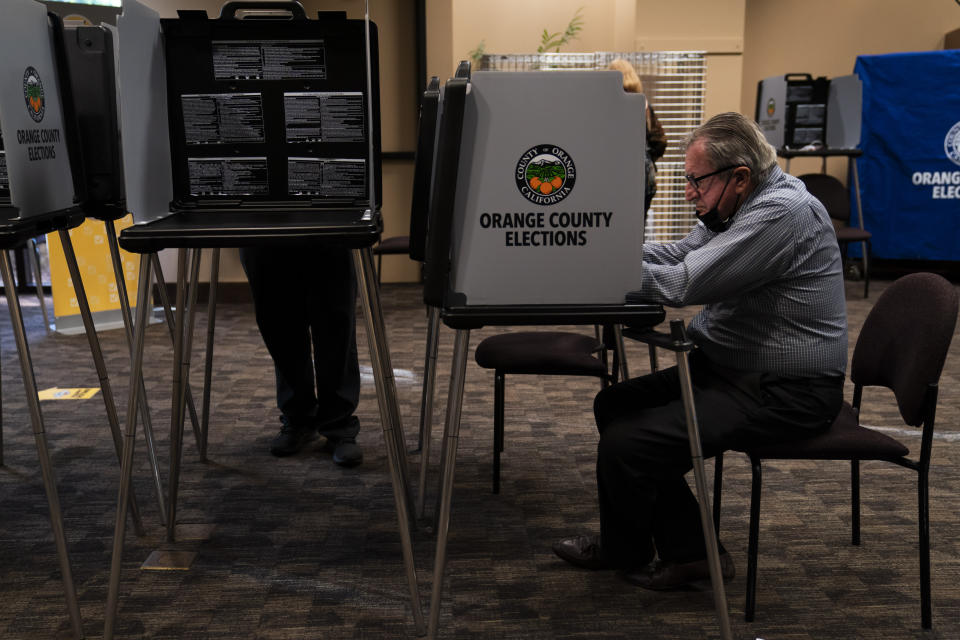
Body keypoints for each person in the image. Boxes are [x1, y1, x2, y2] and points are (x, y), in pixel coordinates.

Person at [553, 112, 848, 589]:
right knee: (616, 405)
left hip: (786, 389)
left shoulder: (780, 213)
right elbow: (679, 255)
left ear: (739, 176)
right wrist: (601, 249)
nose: (689, 192)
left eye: (696, 181)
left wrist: (594, 268)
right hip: (731, 371)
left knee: (631, 443)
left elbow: (685, 281)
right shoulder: (735, 205)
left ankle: (661, 553)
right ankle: (685, 551)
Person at [240, 246, 363, 466]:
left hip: (330, 225)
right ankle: (297, 417)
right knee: (279, 325)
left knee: (335, 324)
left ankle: (339, 424)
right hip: (262, 226)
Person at [607, 58, 667, 213]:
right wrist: (645, 155)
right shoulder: (644, 105)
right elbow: (660, 141)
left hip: (615, 175)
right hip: (644, 177)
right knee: (638, 227)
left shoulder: (607, 107)